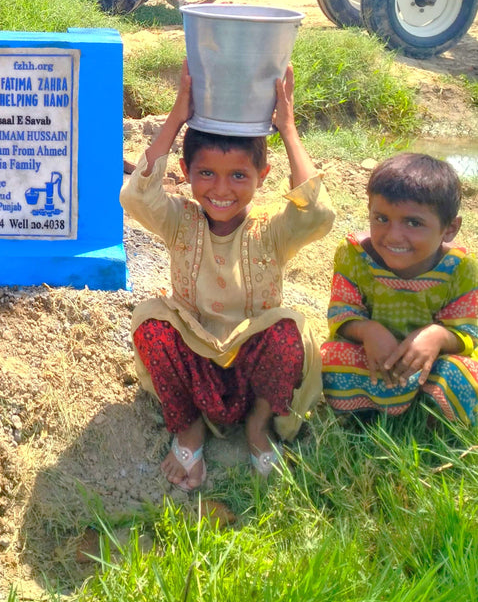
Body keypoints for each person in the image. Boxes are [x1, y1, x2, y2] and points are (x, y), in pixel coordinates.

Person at [122, 62, 333, 490]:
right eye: (206, 174)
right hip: (195, 366)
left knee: (289, 332)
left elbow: (319, 214)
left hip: (253, 373)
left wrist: (288, 129)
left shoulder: (272, 231)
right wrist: (177, 116)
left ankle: (258, 428)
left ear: (263, 176)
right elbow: (136, 195)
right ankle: (189, 429)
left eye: (239, 175)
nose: (221, 189)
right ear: (185, 172)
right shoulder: (180, 222)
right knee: (151, 322)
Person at [321, 153, 477, 424]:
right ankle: (362, 418)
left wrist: (438, 337)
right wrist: (368, 331)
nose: (393, 235)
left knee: (460, 372)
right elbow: (341, 314)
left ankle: (428, 424)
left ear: (450, 228)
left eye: (413, 223)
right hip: (371, 359)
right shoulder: (354, 255)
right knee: (326, 358)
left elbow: (468, 334)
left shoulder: (460, 269)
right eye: (381, 218)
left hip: (429, 368)